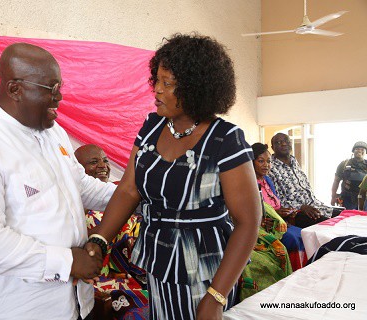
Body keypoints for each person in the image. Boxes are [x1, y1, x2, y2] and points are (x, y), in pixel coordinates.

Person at [84, 33, 261, 320]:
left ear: (196, 89)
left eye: (168, 83)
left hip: (206, 271)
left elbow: (248, 221)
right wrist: (100, 239)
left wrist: (216, 296)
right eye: (157, 80)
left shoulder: (226, 139)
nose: (157, 90)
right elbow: (129, 190)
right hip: (159, 259)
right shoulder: (151, 127)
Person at [0, 43, 116, 320]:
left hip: (75, 304)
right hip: (19, 309)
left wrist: (135, 196)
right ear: (15, 90)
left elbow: (79, 185)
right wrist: (68, 262)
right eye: (51, 89)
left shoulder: (53, 132)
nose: (59, 98)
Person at [75, 144, 148, 319]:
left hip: (134, 275)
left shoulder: (121, 192)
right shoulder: (75, 206)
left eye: (105, 161)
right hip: (97, 280)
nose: (103, 166)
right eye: (94, 162)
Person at [250, 143, 306, 270]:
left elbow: (276, 205)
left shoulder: (268, 181)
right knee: (293, 239)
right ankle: (292, 273)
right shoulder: (250, 184)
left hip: (281, 223)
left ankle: (302, 270)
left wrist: (287, 213)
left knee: (304, 234)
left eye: (269, 161)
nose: (266, 165)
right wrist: (277, 215)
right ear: (251, 162)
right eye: (261, 161)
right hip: (265, 227)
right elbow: (258, 212)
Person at [268, 133, 332, 228]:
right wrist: (302, 207)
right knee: (331, 227)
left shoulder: (294, 161)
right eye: (279, 142)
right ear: (273, 147)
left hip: (315, 205)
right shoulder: (270, 167)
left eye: (286, 141)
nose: (284, 144)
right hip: (296, 212)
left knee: (345, 217)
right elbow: (278, 200)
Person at [331, 141, 367, 209]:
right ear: (353, 151)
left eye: (362, 149)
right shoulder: (344, 164)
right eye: (357, 149)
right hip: (347, 199)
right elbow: (336, 181)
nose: (359, 151)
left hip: (364, 200)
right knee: (347, 218)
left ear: (366, 152)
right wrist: (333, 197)